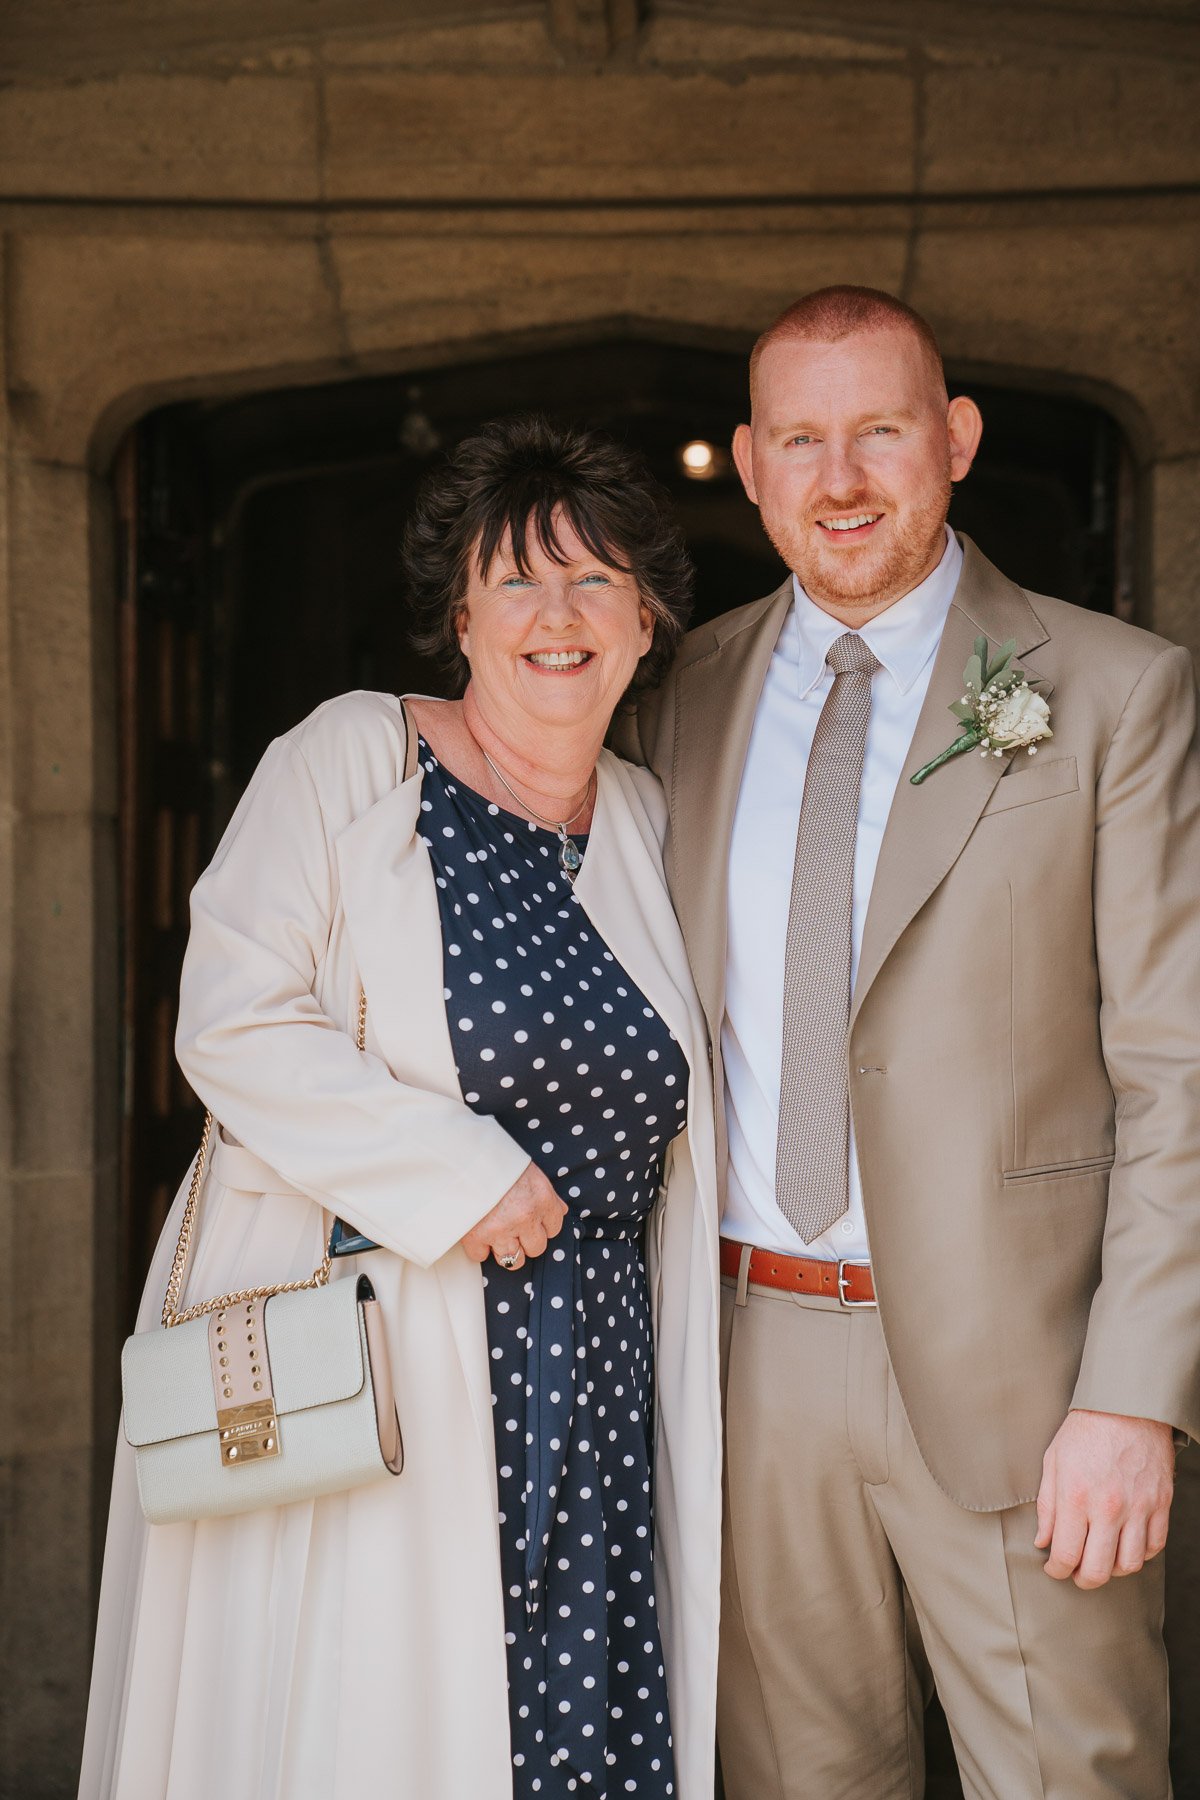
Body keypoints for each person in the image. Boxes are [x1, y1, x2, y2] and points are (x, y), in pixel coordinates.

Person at [79, 416, 722, 1800]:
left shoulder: (653, 821)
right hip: (396, 1344)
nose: (558, 617)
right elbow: (236, 1018)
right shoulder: (357, 761)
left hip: (599, 1370)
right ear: (459, 615)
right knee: (383, 1737)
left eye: (597, 581)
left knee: (577, 1737)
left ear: (651, 621)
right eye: (516, 580)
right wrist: (456, 1175)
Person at [614, 286, 1200, 1797]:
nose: (843, 478)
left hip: (1027, 1381)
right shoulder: (676, 694)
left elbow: (1177, 1070)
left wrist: (1134, 1397)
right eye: (801, 440)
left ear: (956, 439)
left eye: (880, 431)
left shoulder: (1115, 694)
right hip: (747, 1362)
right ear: (748, 465)